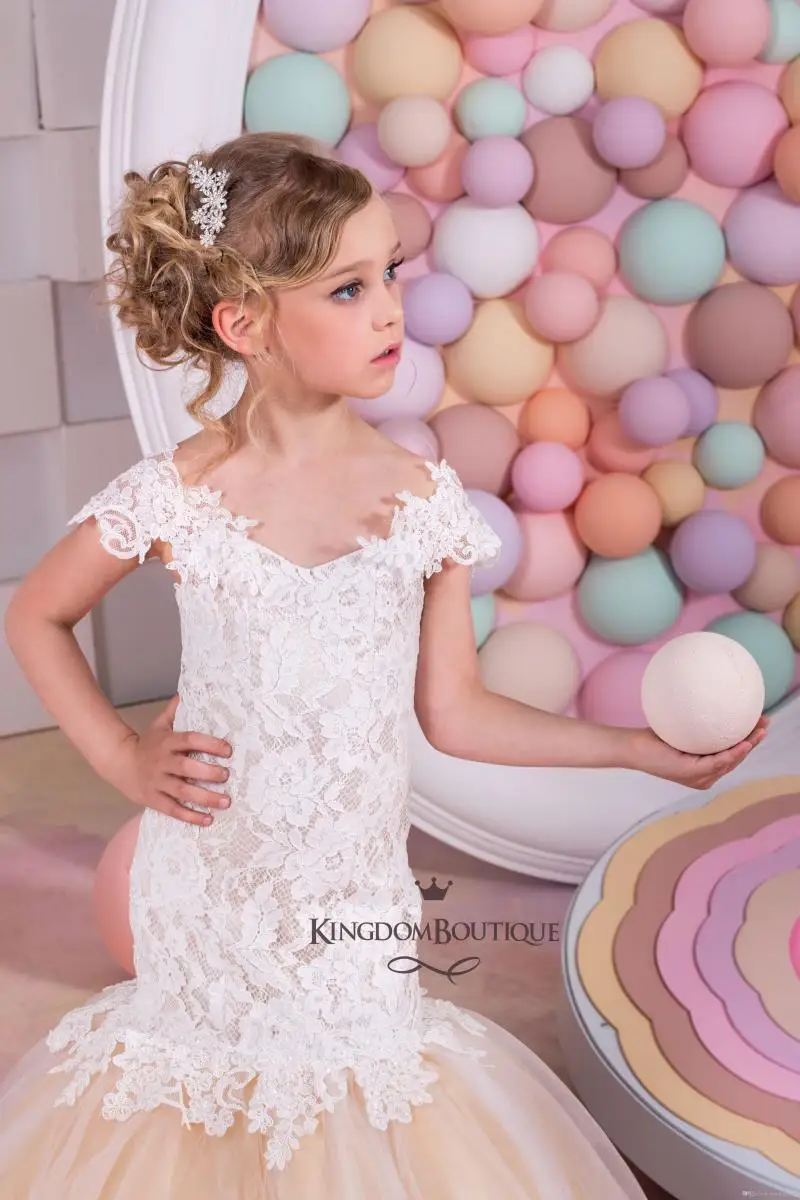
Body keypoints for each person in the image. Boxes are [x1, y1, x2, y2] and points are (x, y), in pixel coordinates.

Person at [0, 131, 766, 1199]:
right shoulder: (177, 492)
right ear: (244, 323)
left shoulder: (419, 502)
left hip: (352, 909)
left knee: (358, 1116)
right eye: (349, 288)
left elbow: (456, 713)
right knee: (195, 1114)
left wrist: (636, 750)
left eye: (391, 274)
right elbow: (36, 614)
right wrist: (122, 757)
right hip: (209, 898)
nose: (391, 311)